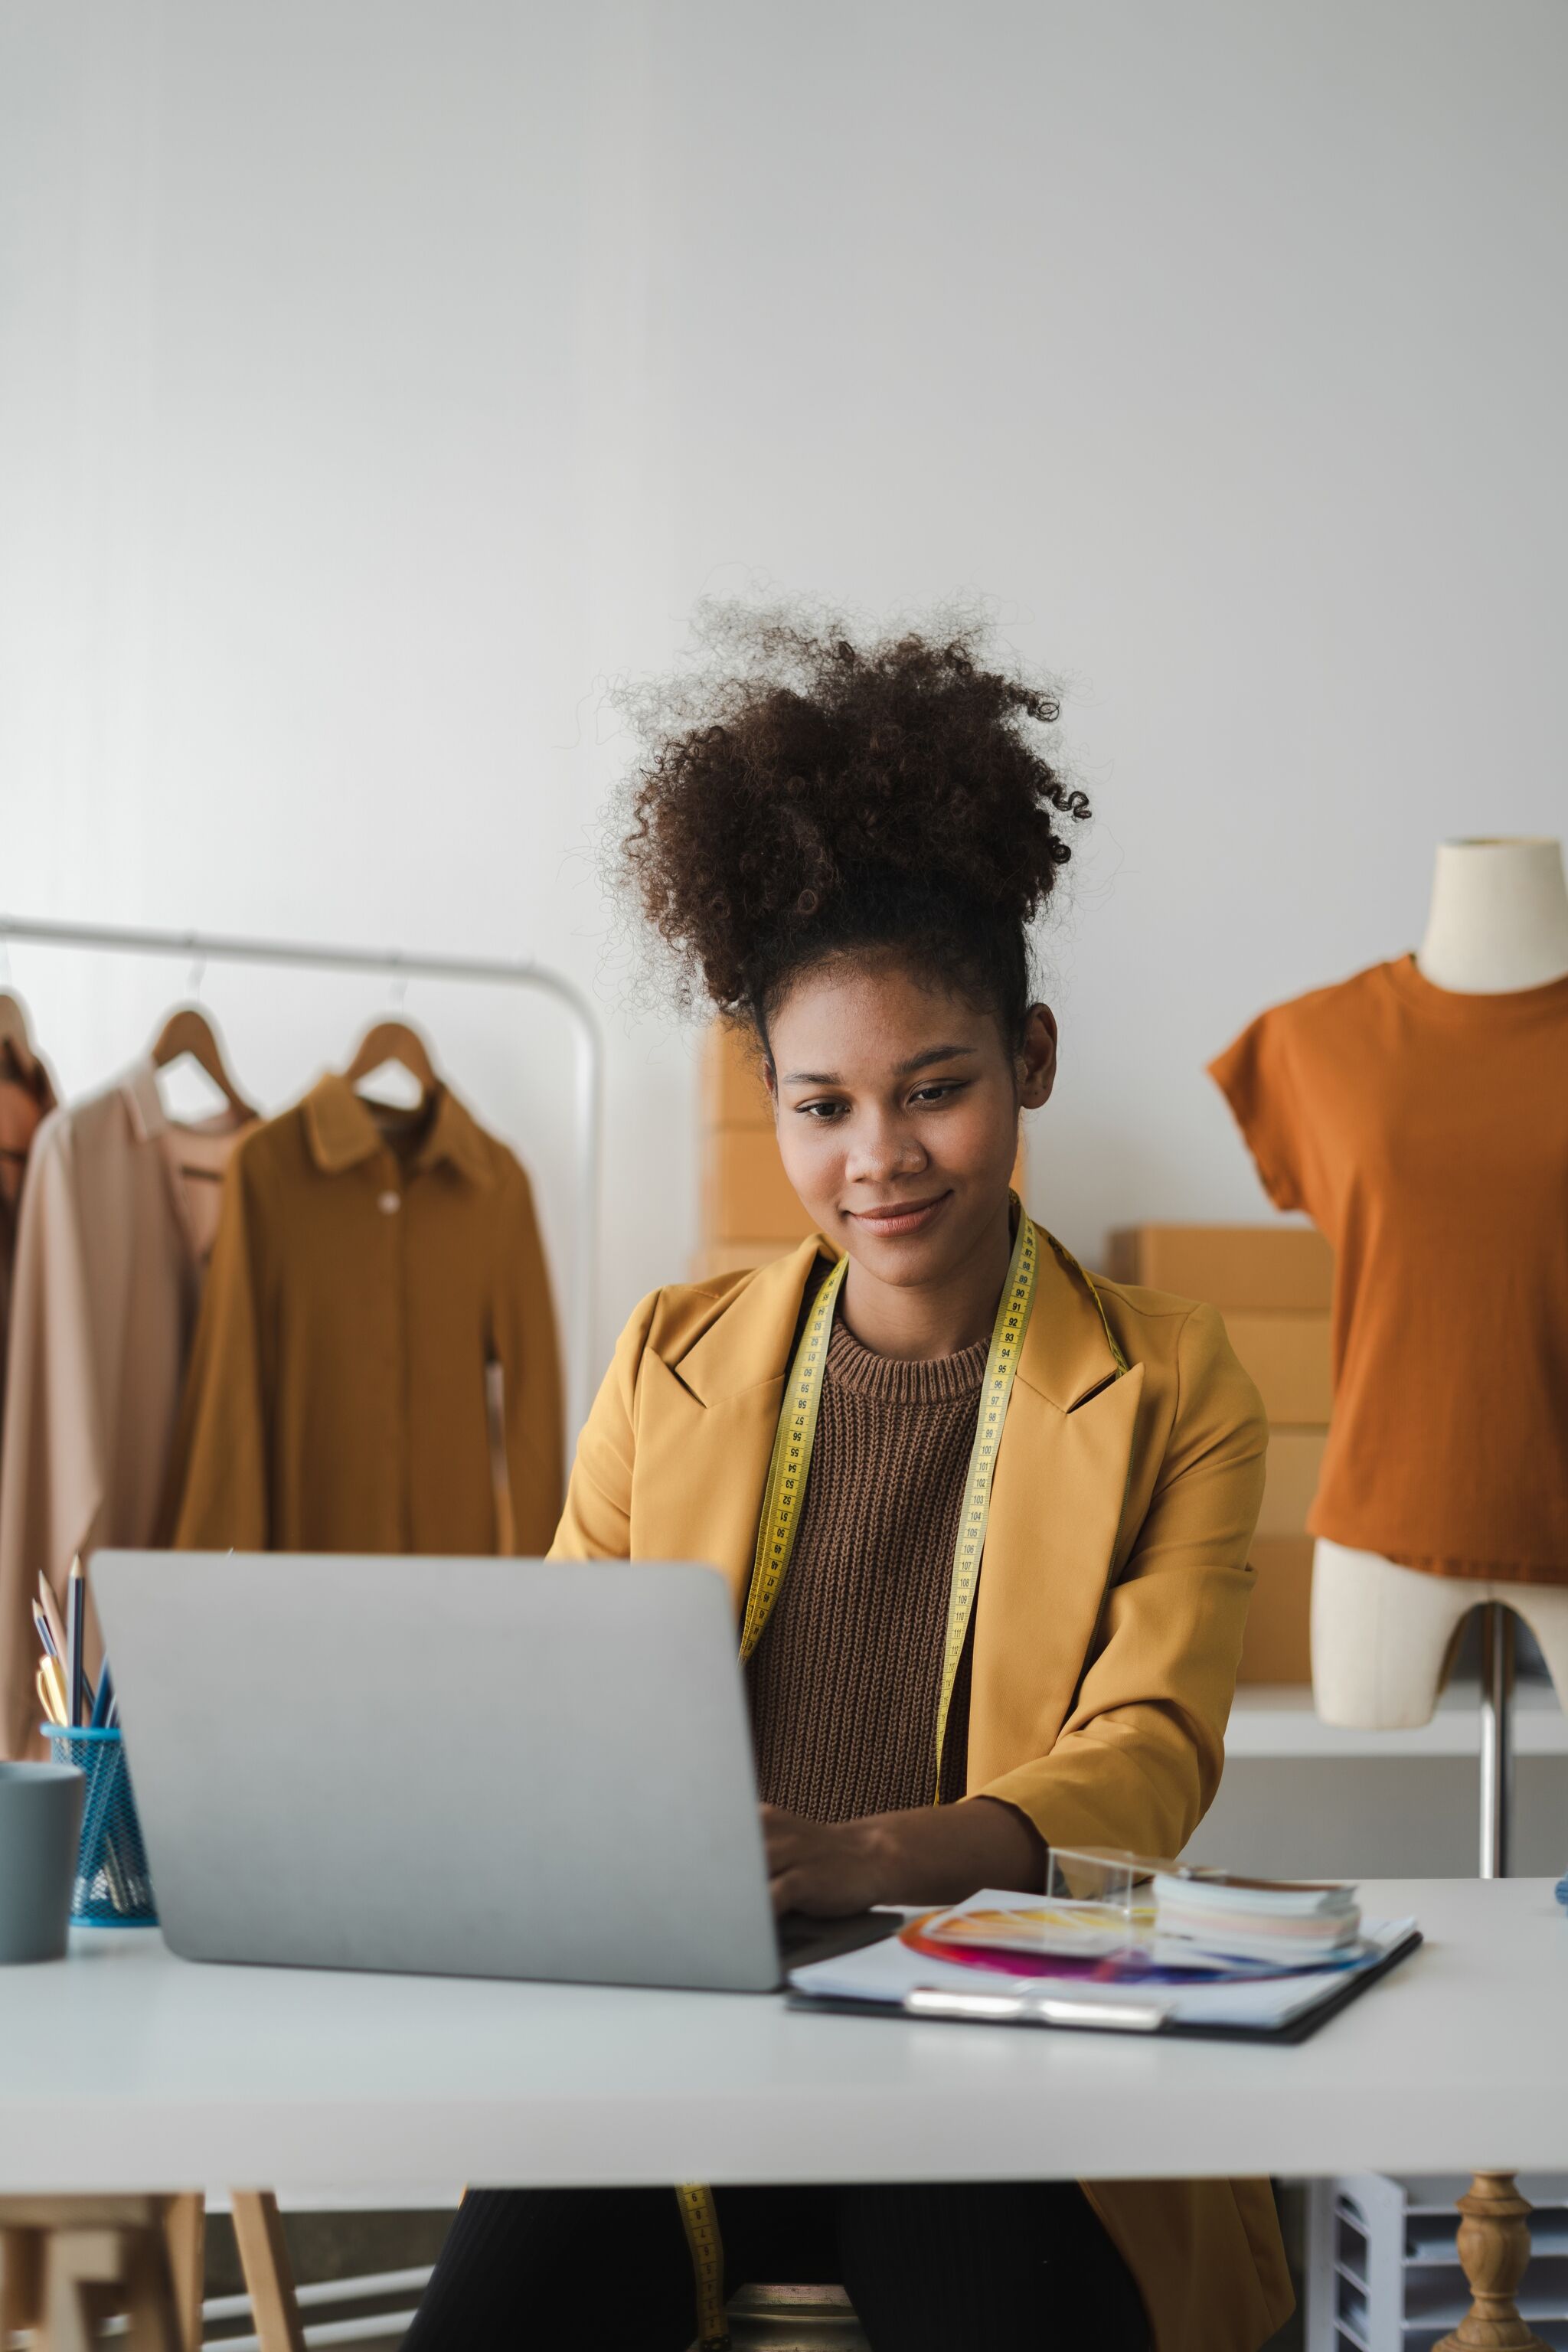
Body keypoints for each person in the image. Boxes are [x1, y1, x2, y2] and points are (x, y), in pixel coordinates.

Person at [404, 608, 1292, 2352]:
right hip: (684, 2051)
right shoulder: (672, 1356)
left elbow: (1149, 1757)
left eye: (934, 1091)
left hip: (995, 2050)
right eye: (820, 1106)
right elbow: (568, 1706)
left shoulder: (1174, 1377)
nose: (876, 1158)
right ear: (772, 1102)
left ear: (1028, 1063)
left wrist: (860, 1856)